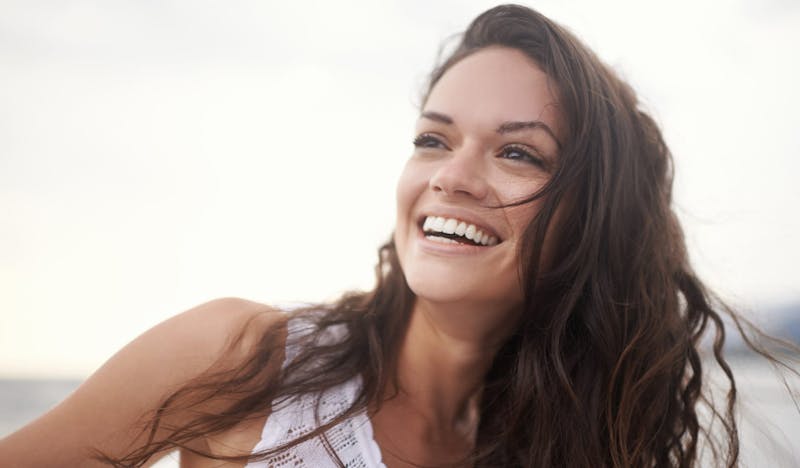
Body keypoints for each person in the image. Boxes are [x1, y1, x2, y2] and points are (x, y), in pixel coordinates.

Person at [0, 4, 795, 467]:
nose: (452, 176)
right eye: (433, 139)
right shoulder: (244, 358)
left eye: (517, 153)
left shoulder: (562, 447)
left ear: (592, 218)